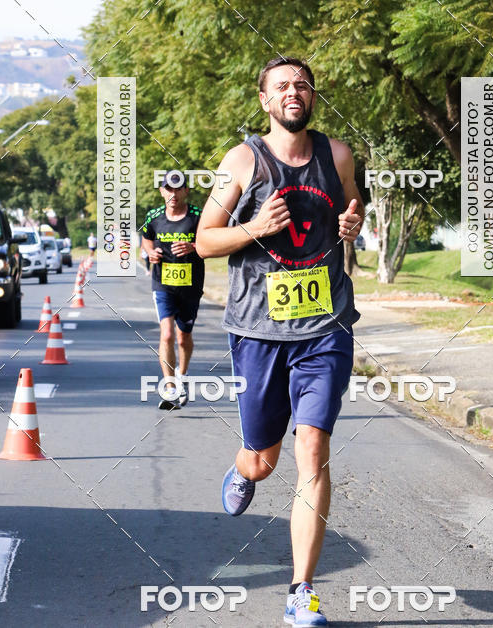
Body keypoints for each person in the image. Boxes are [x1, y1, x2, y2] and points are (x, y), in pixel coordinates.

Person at [195, 57, 364, 627]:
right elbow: (204, 241)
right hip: (257, 331)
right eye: (282, 86)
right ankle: (245, 468)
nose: (294, 92)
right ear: (265, 100)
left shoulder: (336, 155)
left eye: (302, 85)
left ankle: (301, 591)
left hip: (325, 326)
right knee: (265, 460)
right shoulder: (243, 161)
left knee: (312, 448)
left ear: (312, 96)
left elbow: (351, 206)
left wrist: (352, 224)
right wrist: (254, 228)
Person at [142, 171, 205, 410]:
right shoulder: (153, 217)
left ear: (186, 190)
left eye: (178, 188)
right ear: (161, 191)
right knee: (167, 333)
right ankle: (169, 388)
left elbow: (211, 242)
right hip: (163, 284)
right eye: (168, 189)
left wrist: (193, 246)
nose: (173, 194)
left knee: (183, 336)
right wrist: (150, 252)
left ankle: (183, 375)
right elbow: (146, 238)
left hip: (191, 285)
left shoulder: (198, 216)